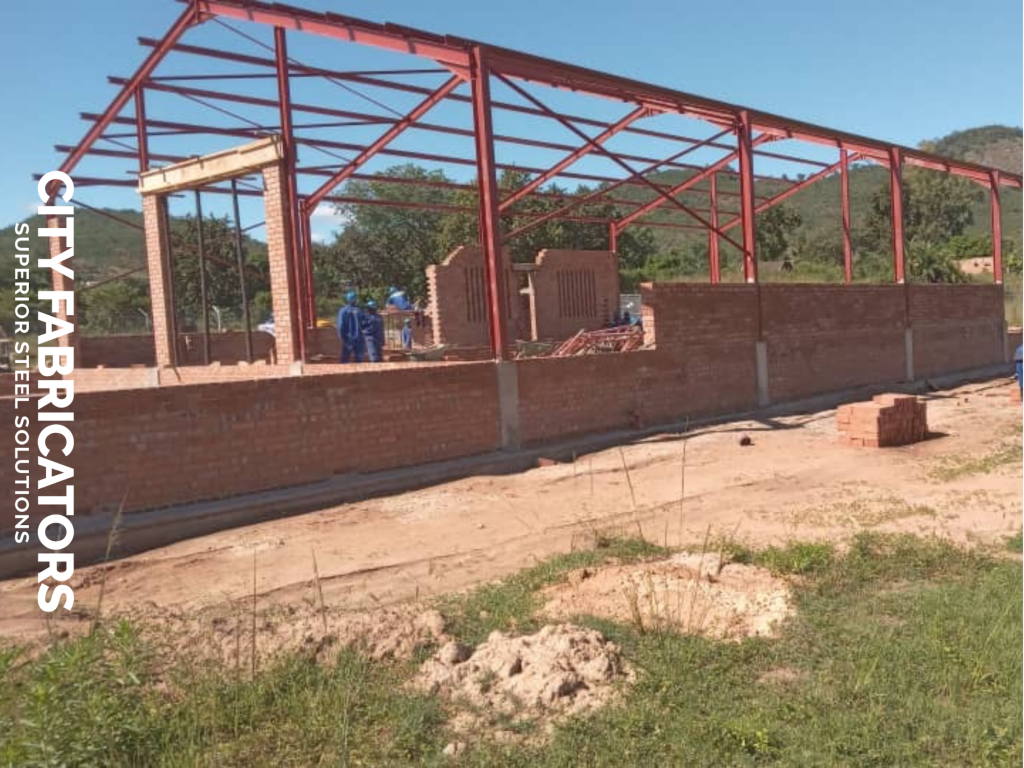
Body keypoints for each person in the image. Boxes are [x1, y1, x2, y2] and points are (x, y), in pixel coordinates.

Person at [336, 290, 364, 363]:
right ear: (355, 299)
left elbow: (341, 325)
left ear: (347, 299)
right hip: (358, 338)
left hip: (348, 338)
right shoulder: (359, 310)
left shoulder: (343, 311)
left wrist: (341, 336)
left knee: (345, 360)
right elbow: (364, 323)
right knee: (359, 360)